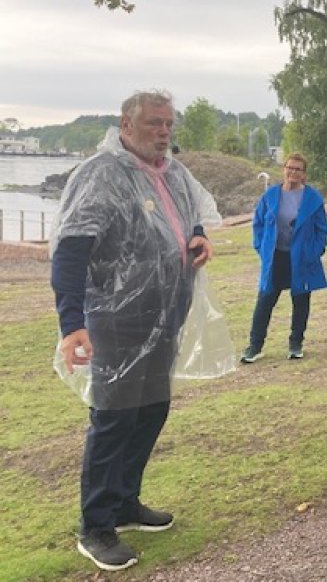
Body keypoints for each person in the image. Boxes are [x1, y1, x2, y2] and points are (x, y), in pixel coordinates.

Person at [50, 90, 217, 572]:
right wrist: (72, 324)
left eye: (168, 124)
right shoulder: (101, 174)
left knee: (151, 410)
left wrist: (200, 235)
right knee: (114, 418)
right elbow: (70, 250)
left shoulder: (173, 172)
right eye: (153, 123)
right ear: (126, 124)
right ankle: (96, 525)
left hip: (165, 314)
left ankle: (125, 502)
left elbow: (190, 218)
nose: (164, 132)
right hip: (115, 319)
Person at [240, 153, 327, 363]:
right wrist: (262, 248)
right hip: (275, 257)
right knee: (265, 301)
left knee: (301, 301)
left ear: (304, 174)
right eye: (290, 167)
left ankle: (295, 344)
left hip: (301, 258)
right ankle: (255, 346)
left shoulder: (313, 199)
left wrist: (313, 252)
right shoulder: (270, 196)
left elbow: (322, 230)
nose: (293, 172)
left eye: (298, 169)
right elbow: (258, 224)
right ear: (284, 169)